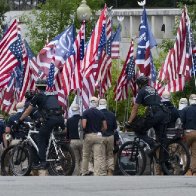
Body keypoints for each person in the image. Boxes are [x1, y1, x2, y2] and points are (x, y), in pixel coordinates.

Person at [16, 79, 65, 170]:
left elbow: (28, 111)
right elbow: (50, 108)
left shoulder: (38, 96)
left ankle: (42, 162)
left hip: (51, 119)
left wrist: (19, 120)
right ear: (45, 86)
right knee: (49, 135)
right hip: (60, 118)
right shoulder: (52, 94)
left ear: (37, 87)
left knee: (41, 137)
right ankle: (53, 152)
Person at [125, 76, 170, 150]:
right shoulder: (153, 89)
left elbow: (135, 108)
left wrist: (129, 122)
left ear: (139, 84)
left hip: (155, 113)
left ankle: (152, 143)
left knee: (139, 130)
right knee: (161, 139)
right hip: (164, 112)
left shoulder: (142, 91)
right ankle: (164, 160)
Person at [81, 96, 107, 176]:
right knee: (97, 156)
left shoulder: (85, 112)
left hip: (88, 135)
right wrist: (100, 130)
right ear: (97, 103)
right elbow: (105, 127)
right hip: (98, 135)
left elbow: (84, 126)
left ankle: (84, 171)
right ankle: (97, 173)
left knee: (85, 155)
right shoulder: (101, 113)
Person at [98, 98, 117, 175]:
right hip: (110, 136)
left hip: (101, 136)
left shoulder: (98, 114)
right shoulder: (112, 114)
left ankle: (103, 171)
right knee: (110, 154)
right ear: (106, 105)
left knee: (102, 154)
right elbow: (115, 127)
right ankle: (110, 171)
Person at [180, 94, 196, 176]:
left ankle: (186, 169)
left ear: (190, 100)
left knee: (184, 151)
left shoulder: (185, 109)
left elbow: (181, 122)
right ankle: (194, 171)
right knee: (195, 153)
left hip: (188, 133)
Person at [66, 103, 83, 176]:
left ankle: (76, 174)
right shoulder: (82, 119)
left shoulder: (69, 120)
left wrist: (67, 139)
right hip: (82, 140)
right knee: (83, 158)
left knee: (75, 160)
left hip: (72, 141)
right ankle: (83, 172)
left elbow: (67, 132)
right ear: (79, 110)